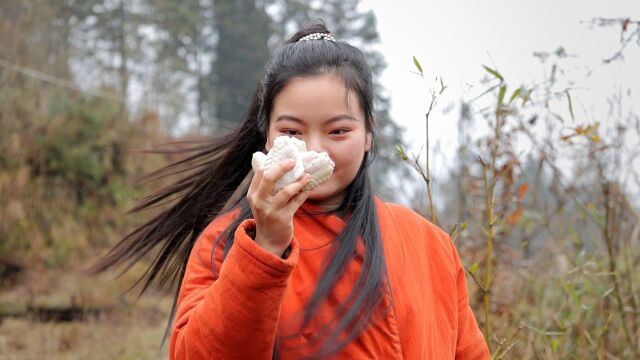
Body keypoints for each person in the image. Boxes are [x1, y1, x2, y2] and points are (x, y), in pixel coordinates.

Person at [92, 21, 489, 359]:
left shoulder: (429, 244)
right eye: (292, 131)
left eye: (338, 130)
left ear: (369, 132)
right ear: (267, 136)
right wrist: (265, 246)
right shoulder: (226, 244)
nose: (315, 148)